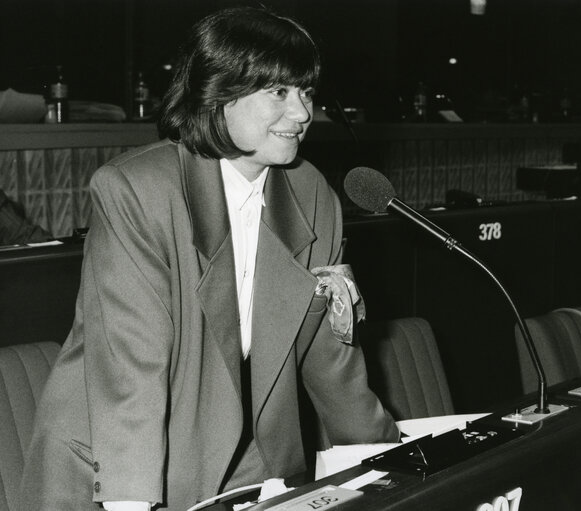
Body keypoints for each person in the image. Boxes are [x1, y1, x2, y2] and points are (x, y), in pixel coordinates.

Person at [19, 6, 399, 511]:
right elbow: (133, 368)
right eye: (279, 92)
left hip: (242, 462)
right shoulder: (138, 190)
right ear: (217, 92)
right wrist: (131, 505)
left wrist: (395, 464)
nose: (303, 113)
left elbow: (331, 360)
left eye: (307, 91)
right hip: (114, 468)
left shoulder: (314, 196)